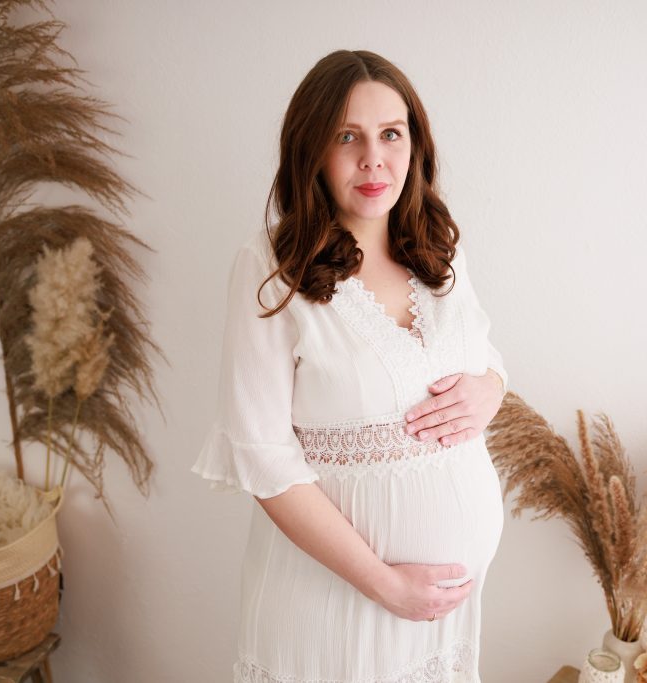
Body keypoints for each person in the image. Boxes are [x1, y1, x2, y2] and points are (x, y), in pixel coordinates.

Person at [191, 49, 510, 682]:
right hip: (334, 603)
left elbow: (484, 352)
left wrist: (492, 387)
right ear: (311, 150)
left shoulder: (438, 250)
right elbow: (263, 459)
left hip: (440, 621)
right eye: (347, 136)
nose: (373, 158)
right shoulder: (271, 269)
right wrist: (387, 585)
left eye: (391, 134)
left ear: (414, 145)